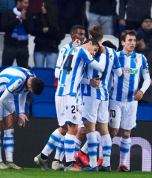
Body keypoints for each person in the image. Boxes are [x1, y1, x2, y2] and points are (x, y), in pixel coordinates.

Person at [35, 38, 107, 171]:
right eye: (94, 50)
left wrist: (88, 82)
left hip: (60, 93)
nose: (93, 53)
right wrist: (102, 52)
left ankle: (42, 156)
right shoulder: (82, 51)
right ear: (90, 43)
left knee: (63, 128)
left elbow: (72, 74)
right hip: (69, 94)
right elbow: (100, 67)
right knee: (73, 128)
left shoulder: (71, 51)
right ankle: (69, 164)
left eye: (96, 52)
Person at [108, 30, 151, 172]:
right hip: (115, 100)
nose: (133, 43)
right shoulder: (115, 56)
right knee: (112, 131)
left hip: (132, 102)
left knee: (126, 132)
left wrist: (141, 91)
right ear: (122, 42)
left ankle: (122, 164)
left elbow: (147, 79)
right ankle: (105, 162)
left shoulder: (141, 58)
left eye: (134, 40)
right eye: (129, 40)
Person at [79, 33, 122, 172]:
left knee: (90, 128)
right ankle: (106, 163)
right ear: (102, 35)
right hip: (104, 95)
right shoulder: (112, 52)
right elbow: (119, 73)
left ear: (91, 36)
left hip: (90, 94)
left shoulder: (90, 51)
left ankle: (92, 164)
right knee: (104, 129)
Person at [0, 66, 44, 169]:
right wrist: (13, 112)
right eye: (31, 90)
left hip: (7, 93)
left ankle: (9, 161)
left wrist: (22, 112)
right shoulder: (18, 80)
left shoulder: (33, 78)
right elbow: (3, 99)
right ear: (30, 84)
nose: (30, 92)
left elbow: (23, 93)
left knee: (9, 125)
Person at [0, 0, 34, 68]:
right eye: (25, 3)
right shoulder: (8, 13)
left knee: (24, 69)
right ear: (19, 3)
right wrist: (18, 19)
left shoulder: (28, 15)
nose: (27, 5)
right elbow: (4, 27)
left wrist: (24, 20)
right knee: (5, 68)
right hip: (9, 46)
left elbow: (30, 30)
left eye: (28, 3)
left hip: (23, 46)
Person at [33, 0, 63, 68]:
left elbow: (61, 35)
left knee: (51, 70)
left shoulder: (58, 19)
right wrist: (42, 30)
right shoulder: (38, 17)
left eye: (43, 6)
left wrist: (49, 30)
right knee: (38, 70)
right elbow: (33, 31)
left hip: (52, 48)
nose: (41, 7)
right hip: (39, 47)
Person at [136, 31, 152, 104]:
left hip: (145, 90)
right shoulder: (132, 53)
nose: (134, 43)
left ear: (141, 40)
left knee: (145, 110)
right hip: (132, 87)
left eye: (136, 40)